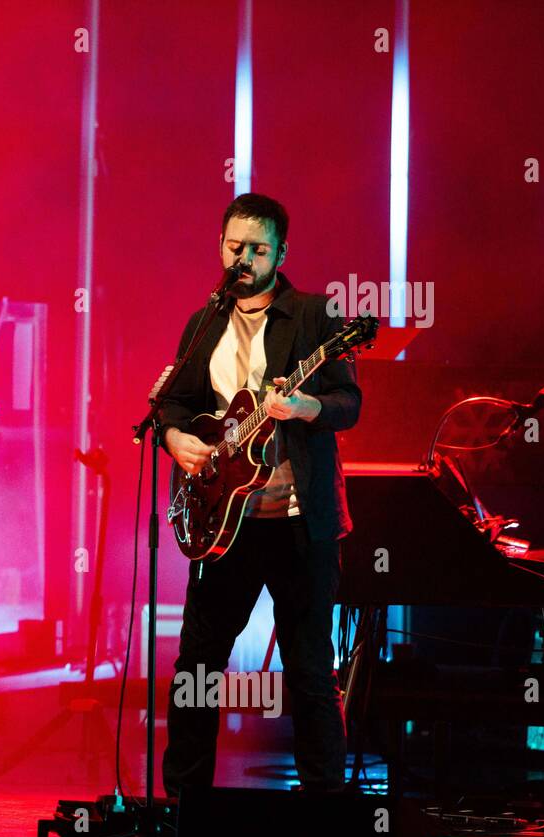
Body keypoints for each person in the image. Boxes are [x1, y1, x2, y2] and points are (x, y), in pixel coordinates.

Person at [157, 192, 361, 793]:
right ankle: (184, 812)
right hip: (225, 521)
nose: (244, 258)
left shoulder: (315, 315)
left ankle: (324, 815)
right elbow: (174, 400)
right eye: (234, 246)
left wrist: (307, 406)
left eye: (258, 249)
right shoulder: (204, 322)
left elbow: (349, 404)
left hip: (298, 522)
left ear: (281, 253)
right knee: (197, 667)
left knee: (308, 672)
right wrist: (172, 436)